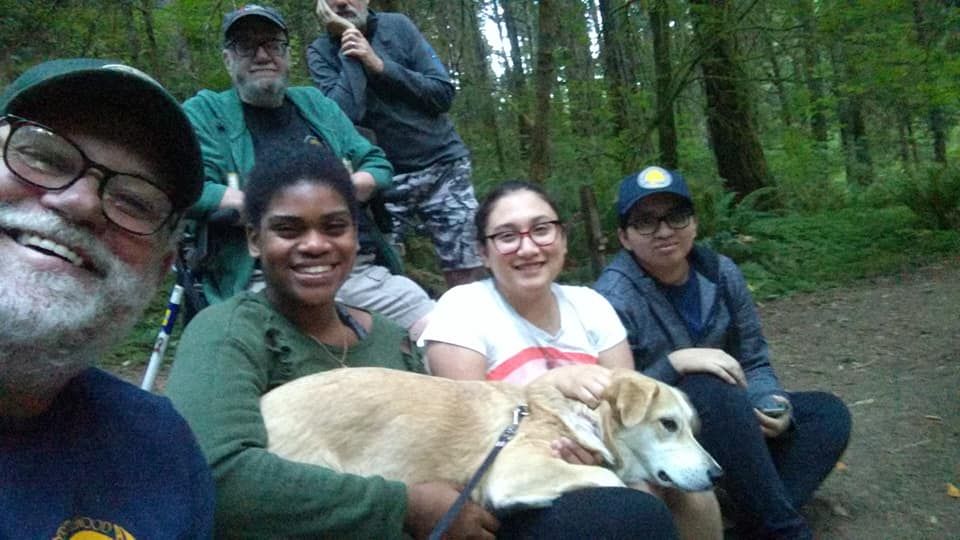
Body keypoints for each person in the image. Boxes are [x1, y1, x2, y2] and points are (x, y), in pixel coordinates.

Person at [164, 153, 664, 539]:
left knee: (625, 516)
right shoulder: (226, 331)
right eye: (288, 229)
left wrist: (558, 459)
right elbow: (217, 476)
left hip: (452, 518)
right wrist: (406, 507)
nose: (315, 244)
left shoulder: (387, 336)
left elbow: (452, 444)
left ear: (356, 237)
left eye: (335, 227)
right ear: (254, 240)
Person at [420, 180, 711, 539]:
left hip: (597, 460)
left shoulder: (590, 305)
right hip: (508, 485)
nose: (528, 247)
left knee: (695, 495)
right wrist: (552, 383)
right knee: (636, 508)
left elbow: (625, 413)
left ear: (562, 238)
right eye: (507, 236)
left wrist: (602, 458)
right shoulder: (463, 308)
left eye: (542, 230)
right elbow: (470, 428)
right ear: (483, 252)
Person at [0, 58, 214, 538]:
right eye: (42, 156)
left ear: (159, 270)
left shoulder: (161, 452)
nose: (82, 203)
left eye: (135, 202)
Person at [594, 165, 853, 540]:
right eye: (645, 222)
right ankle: (783, 528)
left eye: (676, 216)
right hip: (670, 436)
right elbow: (617, 398)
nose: (664, 231)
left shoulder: (720, 272)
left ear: (694, 224)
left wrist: (772, 402)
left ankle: (756, 519)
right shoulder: (612, 297)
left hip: (736, 416)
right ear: (625, 237)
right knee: (707, 385)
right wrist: (676, 363)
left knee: (826, 414)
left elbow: (754, 358)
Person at [185, 4, 435, 339]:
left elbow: (377, 164)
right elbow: (186, 186)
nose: (262, 55)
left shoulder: (316, 106)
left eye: (273, 45)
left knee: (443, 333)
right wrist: (253, 206)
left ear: (288, 56)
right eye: (246, 46)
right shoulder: (206, 112)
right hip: (263, 282)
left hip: (356, 273)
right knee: (289, 357)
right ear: (228, 59)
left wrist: (343, 190)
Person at [308, 0, 487, 288]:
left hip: (443, 168)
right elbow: (343, 117)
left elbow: (442, 94)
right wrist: (349, 46)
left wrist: (378, 65)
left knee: (468, 273)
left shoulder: (398, 27)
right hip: (381, 183)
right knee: (383, 277)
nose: (341, 2)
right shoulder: (320, 51)